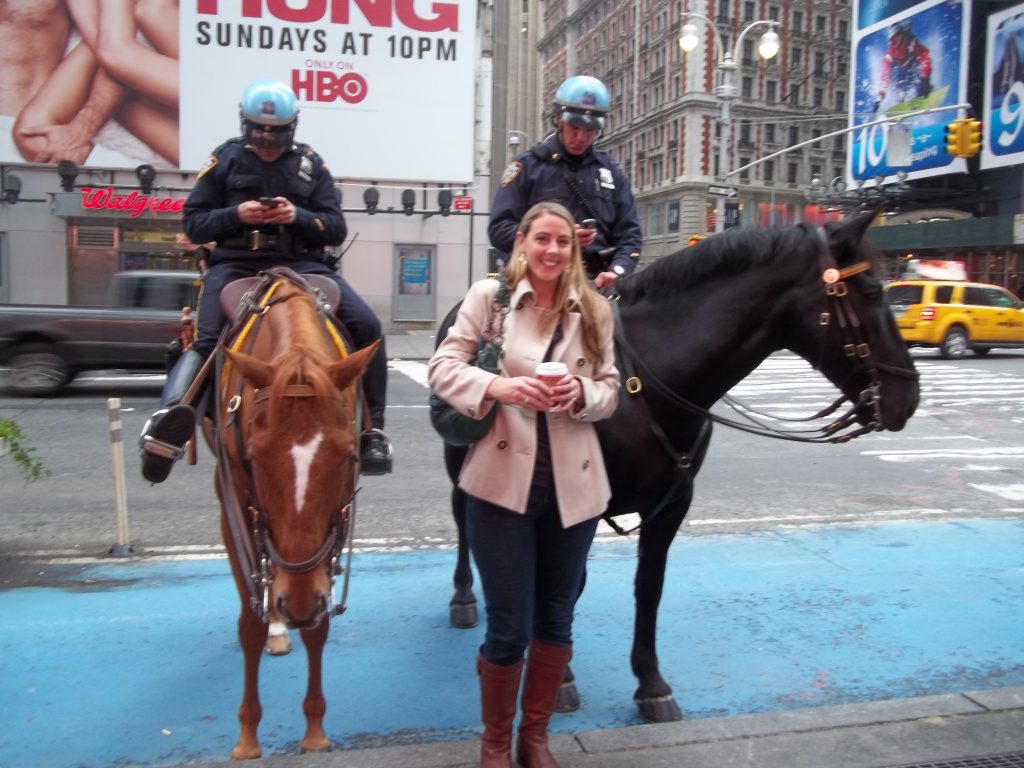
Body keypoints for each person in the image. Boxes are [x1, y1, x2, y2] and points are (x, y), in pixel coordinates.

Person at [429, 201, 620, 767]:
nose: (552, 250)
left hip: (574, 492)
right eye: (542, 239)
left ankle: (534, 739)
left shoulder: (595, 310)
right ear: (523, 244)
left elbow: (611, 388)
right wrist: (499, 389)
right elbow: (443, 367)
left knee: (557, 619)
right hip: (500, 487)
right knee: (508, 627)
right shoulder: (489, 299)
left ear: (574, 249)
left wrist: (581, 396)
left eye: (563, 241)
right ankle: (494, 744)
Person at [139, 79, 392, 483]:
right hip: (238, 264)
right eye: (258, 129)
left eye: (275, 130)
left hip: (304, 265)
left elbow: (335, 227)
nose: (266, 137)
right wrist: (237, 214)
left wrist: (298, 217)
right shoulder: (223, 161)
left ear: (291, 127)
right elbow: (194, 220)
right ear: (245, 125)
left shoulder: (312, 165)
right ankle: (166, 423)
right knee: (207, 339)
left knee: (368, 327)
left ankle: (373, 431)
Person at [489, 75, 643, 291]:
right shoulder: (528, 166)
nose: (581, 137)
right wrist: (558, 240)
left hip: (595, 285)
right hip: (537, 280)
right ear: (558, 119)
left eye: (590, 130)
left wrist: (618, 270)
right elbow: (499, 228)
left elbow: (631, 235)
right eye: (575, 127)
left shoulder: (612, 172)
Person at [877, 20, 932, 106]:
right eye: (893, 40)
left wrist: (925, 79)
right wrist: (880, 95)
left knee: (918, 74)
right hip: (902, 73)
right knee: (898, 80)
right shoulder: (892, 51)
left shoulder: (912, 44)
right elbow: (885, 72)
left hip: (913, 70)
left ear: (903, 35)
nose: (895, 42)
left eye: (896, 38)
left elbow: (924, 57)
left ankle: (922, 92)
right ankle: (901, 101)